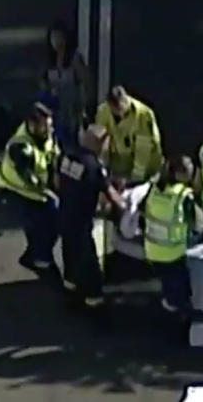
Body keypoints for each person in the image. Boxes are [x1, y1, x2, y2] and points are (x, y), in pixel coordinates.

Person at [55, 124, 126, 312]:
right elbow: (110, 193)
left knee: (69, 251)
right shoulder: (93, 166)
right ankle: (93, 298)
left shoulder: (67, 156)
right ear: (100, 143)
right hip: (80, 220)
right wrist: (126, 208)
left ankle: (70, 284)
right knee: (88, 260)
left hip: (63, 213)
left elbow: (57, 181)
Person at [0, 107, 60, 272]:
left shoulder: (45, 135)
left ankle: (34, 253)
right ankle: (38, 258)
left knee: (51, 220)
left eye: (50, 125)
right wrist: (50, 193)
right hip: (15, 190)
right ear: (32, 125)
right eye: (45, 126)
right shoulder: (21, 146)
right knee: (43, 223)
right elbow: (30, 179)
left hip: (34, 189)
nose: (49, 130)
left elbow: (53, 155)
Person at [142, 155, 198, 341]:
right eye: (189, 168)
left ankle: (165, 318)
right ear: (180, 174)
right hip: (172, 254)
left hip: (152, 250)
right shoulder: (183, 196)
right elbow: (196, 223)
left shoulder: (155, 189)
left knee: (168, 288)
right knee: (182, 294)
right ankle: (179, 334)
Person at [94, 85, 163, 185]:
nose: (120, 113)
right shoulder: (103, 111)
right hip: (119, 168)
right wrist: (103, 169)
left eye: (121, 108)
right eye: (115, 109)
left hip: (145, 170)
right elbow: (101, 141)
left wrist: (134, 180)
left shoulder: (144, 115)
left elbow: (143, 151)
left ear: (126, 100)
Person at [40, 21, 92, 149]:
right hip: (55, 112)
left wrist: (84, 107)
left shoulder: (74, 58)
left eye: (59, 37)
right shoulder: (48, 60)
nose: (56, 41)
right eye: (53, 37)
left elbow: (86, 82)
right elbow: (43, 84)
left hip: (73, 111)